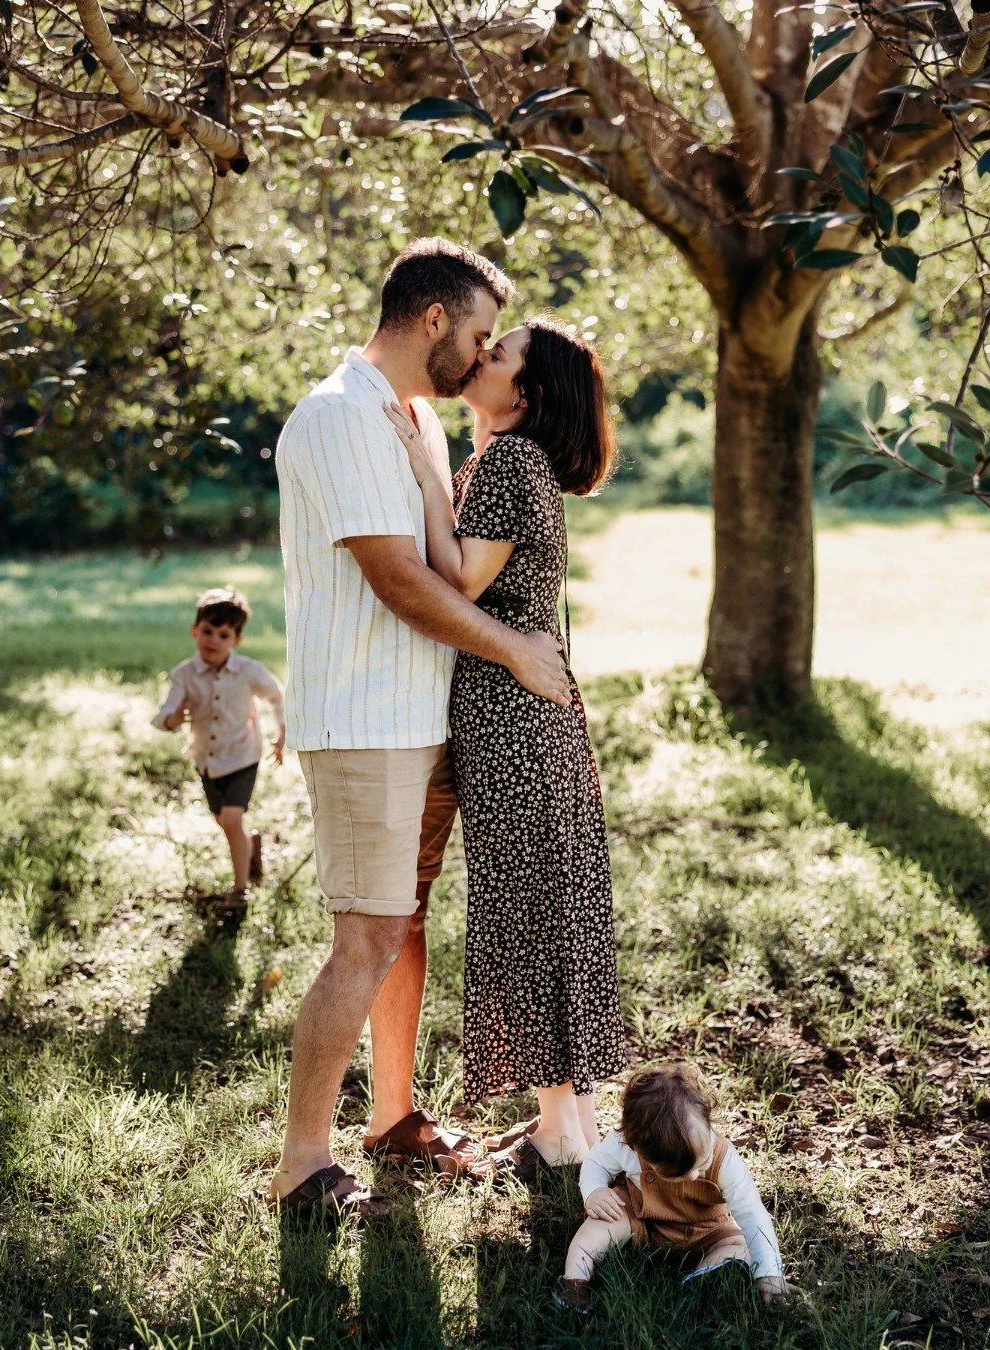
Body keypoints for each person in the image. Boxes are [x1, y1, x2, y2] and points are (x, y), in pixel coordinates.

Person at [268, 239, 572, 1220]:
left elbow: (448, 565)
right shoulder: (340, 416)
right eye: (478, 334)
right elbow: (399, 580)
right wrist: (514, 652)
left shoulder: (416, 425)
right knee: (363, 937)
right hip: (364, 720)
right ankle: (302, 1165)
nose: (481, 356)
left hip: (422, 718)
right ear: (433, 320)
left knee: (403, 928)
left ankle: (394, 1120)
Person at [386, 316, 627, 1182]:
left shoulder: (511, 462)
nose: (480, 358)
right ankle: (568, 1120)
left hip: (514, 724)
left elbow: (455, 580)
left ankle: (564, 1126)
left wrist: (419, 469)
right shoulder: (505, 463)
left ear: (523, 393)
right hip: (530, 720)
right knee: (547, 908)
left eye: (498, 353)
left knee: (529, 911)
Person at [554, 1062, 790, 1312]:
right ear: (638, 1148)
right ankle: (575, 1280)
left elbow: (752, 1213)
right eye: (677, 1173)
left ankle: (704, 1275)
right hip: (642, 1218)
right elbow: (595, 1162)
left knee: (740, 1246)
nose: (694, 1175)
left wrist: (770, 1274)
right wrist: (595, 1191)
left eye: (702, 1165)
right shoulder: (624, 1146)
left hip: (707, 1230)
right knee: (599, 1224)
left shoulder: (725, 1159)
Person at [152, 586, 285, 908]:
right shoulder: (185, 674)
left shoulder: (248, 670)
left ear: (236, 640)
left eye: (223, 635)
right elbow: (163, 715)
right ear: (195, 630)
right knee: (223, 820)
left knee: (230, 820)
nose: (213, 640)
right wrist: (175, 718)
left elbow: (276, 695)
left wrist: (282, 732)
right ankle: (250, 846)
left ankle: (240, 891)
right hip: (207, 760)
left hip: (242, 756)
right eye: (208, 631)